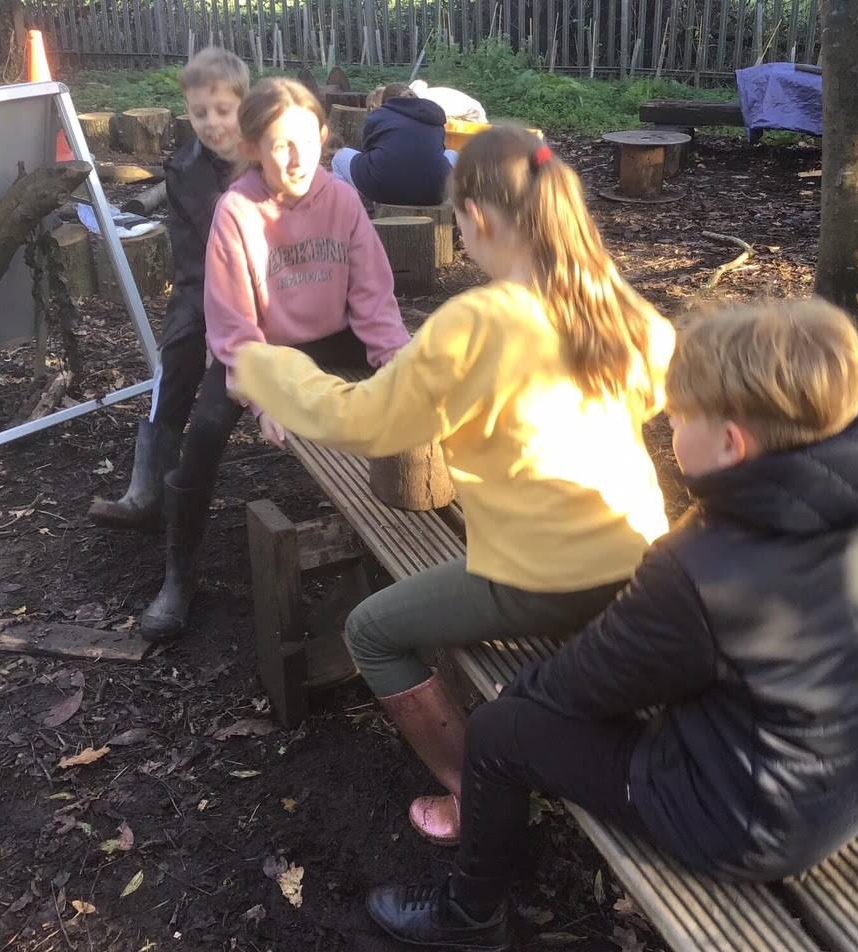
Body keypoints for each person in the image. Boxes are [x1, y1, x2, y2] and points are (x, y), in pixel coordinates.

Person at [360, 299, 858, 950]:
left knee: (499, 730)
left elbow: (574, 689)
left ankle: (468, 916)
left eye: (680, 419)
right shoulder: (850, 510)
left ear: (730, 443)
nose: (670, 430)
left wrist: (524, 688)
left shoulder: (699, 564)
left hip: (749, 821)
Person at [232, 127, 675, 846]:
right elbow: (654, 391)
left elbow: (367, 422)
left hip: (549, 576)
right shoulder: (609, 296)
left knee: (371, 632)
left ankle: (477, 791)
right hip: (646, 559)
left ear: (476, 217)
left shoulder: (478, 320)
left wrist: (265, 368)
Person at [138, 77, 410, 640]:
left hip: (332, 335)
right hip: (261, 347)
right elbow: (233, 328)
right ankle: (179, 571)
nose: (297, 158)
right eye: (280, 145)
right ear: (252, 150)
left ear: (326, 138)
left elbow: (374, 301)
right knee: (206, 431)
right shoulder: (236, 212)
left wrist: (399, 365)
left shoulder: (342, 199)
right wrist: (265, 398)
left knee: (418, 366)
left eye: (308, 141)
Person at [89, 48, 250, 531]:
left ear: (244, 106)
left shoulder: (265, 157)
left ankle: (192, 469)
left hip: (265, 295)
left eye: (223, 110)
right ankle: (148, 488)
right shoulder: (185, 170)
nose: (212, 123)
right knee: (177, 351)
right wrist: (204, 323)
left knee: (221, 387)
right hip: (204, 290)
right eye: (200, 112)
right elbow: (195, 258)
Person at [330, 83, 458, 205]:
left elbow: (367, 149)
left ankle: (346, 214)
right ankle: (452, 212)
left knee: (339, 156)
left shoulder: (378, 115)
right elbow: (439, 150)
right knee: (453, 155)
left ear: (385, 101)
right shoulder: (434, 116)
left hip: (383, 189)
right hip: (433, 193)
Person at [409, 79, 487, 123]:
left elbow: (439, 117)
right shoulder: (428, 94)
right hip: (468, 109)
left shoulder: (427, 99)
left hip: (473, 111)